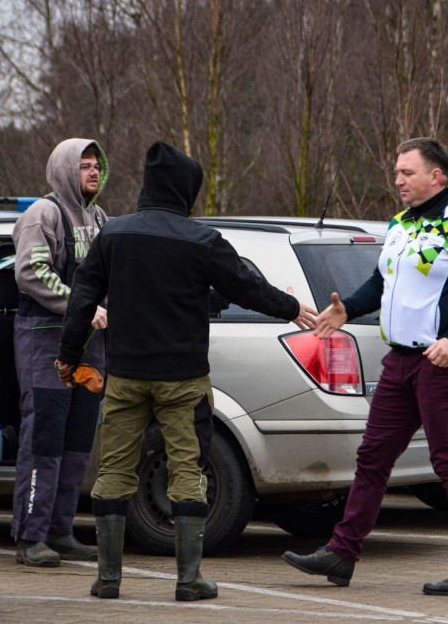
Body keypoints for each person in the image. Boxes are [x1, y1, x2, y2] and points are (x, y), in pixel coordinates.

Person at [55, 140, 317, 601]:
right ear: (185, 189)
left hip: (125, 377)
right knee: (188, 469)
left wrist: (69, 355)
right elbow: (246, 285)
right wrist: (292, 307)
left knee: (114, 469)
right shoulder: (202, 240)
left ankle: (108, 579)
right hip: (183, 380)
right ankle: (188, 579)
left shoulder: (113, 235)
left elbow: (82, 298)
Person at [282, 137, 448, 596]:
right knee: (372, 458)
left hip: (442, 363)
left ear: (436, 176)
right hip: (399, 361)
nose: (398, 180)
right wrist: (350, 309)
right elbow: (381, 283)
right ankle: (341, 555)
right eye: (397, 172)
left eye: (407, 172)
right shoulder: (401, 224)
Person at [11, 139, 109, 567]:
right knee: (44, 440)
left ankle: (61, 530)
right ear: (65, 170)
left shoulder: (101, 218)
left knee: (78, 441)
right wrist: (84, 307)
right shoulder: (42, 214)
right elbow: (32, 271)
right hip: (44, 339)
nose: (92, 172)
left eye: (96, 166)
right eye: (84, 165)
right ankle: (30, 536)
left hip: (92, 347)